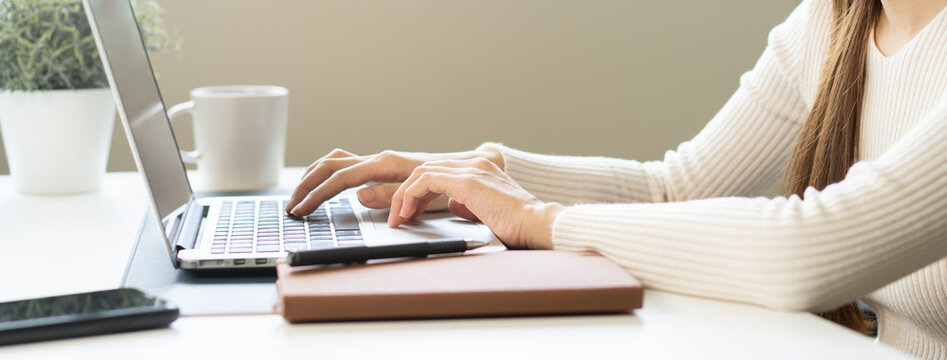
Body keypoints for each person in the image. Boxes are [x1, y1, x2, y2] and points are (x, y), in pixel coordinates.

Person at [285, 0, 947, 358]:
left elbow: (809, 252)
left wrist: (539, 221)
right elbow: (677, 188)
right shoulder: (831, 21)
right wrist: (472, 173)